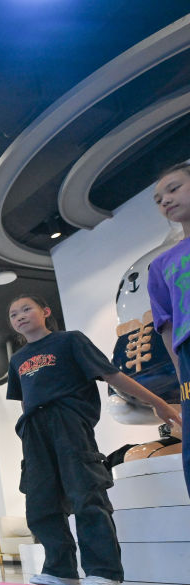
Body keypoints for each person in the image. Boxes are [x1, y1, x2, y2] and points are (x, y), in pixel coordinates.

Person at [6, 294, 181, 585]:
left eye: (26, 309)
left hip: (69, 422)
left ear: (45, 311)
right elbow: (25, 400)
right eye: (13, 314)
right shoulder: (17, 359)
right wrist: (27, 430)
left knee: (86, 493)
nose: (20, 316)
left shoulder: (70, 340)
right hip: (34, 429)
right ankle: (59, 568)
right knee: (40, 501)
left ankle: (104, 570)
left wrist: (158, 402)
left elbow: (112, 375)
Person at [147, 162, 190, 496]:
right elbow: (167, 325)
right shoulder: (162, 264)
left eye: (174, 189)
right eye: (159, 199)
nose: (165, 201)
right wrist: (180, 373)